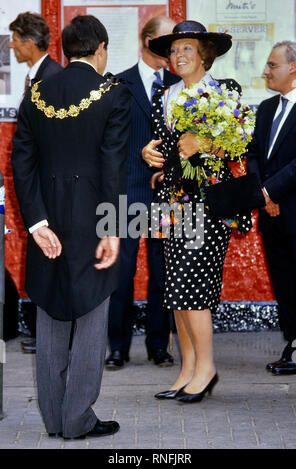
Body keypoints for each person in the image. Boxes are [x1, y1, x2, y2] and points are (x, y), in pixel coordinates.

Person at [11, 15, 130, 439]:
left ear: (64, 50)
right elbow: (113, 166)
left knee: (51, 313)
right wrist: (112, 228)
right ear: (100, 49)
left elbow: (21, 163)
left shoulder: (37, 92)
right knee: (92, 314)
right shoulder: (114, 93)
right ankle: (77, 418)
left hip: (49, 218)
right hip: (93, 219)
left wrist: (37, 221)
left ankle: (53, 417)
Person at [142, 21, 251, 403]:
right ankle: (187, 369)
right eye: (173, 50)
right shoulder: (163, 96)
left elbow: (239, 147)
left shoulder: (224, 92)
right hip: (170, 203)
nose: (178, 56)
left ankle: (206, 368)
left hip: (208, 202)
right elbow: (166, 150)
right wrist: (150, 156)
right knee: (174, 288)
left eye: (186, 48)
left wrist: (206, 141)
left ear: (204, 53)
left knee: (193, 287)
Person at [105, 16, 180, 370]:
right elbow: (109, 143)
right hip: (127, 191)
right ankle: (117, 347)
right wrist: (140, 152)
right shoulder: (118, 83)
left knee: (166, 272)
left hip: (172, 193)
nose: (172, 49)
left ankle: (159, 346)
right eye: (166, 41)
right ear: (146, 41)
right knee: (121, 273)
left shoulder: (182, 85)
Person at [9, 11, 62, 354]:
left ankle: (55, 336)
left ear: (29, 42)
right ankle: (48, 332)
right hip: (42, 189)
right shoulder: (36, 76)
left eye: (15, 38)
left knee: (53, 260)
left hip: (51, 189)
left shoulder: (52, 78)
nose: (11, 45)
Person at [247, 41, 296, 376]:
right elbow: (254, 154)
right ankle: (293, 344)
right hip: (271, 215)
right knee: (284, 284)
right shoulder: (266, 108)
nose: (265, 71)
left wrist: (269, 192)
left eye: (272, 65)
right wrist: (262, 196)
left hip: (295, 213)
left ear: (293, 67)